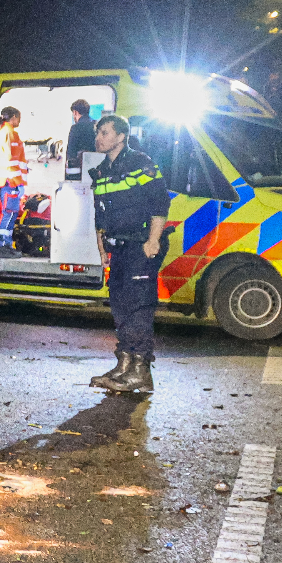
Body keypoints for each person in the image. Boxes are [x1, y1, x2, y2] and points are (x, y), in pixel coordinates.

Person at [88, 115, 171, 393]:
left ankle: (140, 370)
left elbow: (160, 201)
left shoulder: (140, 163)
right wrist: (102, 250)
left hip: (140, 244)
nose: (98, 137)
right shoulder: (101, 171)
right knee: (120, 304)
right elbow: (100, 216)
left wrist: (153, 240)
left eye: (104, 132)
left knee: (138, 306)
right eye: (98, 133)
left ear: (121, 137)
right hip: (119, 246)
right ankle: (124, 365)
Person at [0, 107, 28, 257]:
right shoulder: (10, 134)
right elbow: (11, 162)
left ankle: (4, 245)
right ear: (13, 117)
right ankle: (3, 246)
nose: (19, 121)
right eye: (19, 117)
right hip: (10, 182)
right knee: (10, 214)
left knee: (8, 213)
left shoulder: (3, 132)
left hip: (5, 181)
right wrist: (17, 184)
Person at [64, 99, 98, 169]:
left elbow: (71, 151)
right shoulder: (97, 125)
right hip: (96, 164)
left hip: (80, 166)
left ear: (75, 112)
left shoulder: (75, 128)